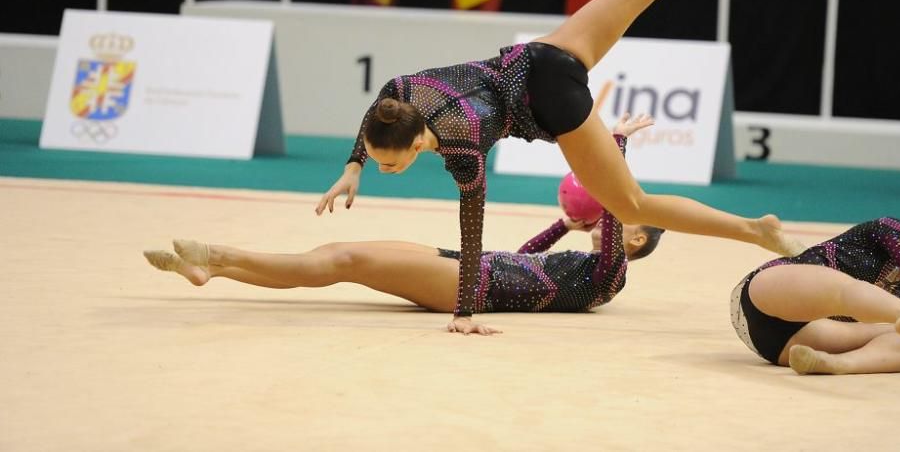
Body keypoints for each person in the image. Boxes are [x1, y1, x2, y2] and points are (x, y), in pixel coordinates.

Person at [316, 0, 804, 336]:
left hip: (549, 103)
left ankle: (754, 230)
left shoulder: (462, 145)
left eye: (391, 163)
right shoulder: (403, 89)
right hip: (548, 54)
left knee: (632, 204)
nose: (388, 169)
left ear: (418, 142)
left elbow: (472, 228)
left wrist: (464, 311)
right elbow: (378, 110)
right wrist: (354, 166)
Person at [145, 115, 666, 324]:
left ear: (635, 238)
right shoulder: (585, 266)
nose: (608, 226)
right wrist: (563, 228)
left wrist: (615, 142)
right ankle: (210, 270)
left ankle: (217, 256)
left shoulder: (610, 278)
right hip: (468, 264)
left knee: (344, 260)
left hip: (474, 285)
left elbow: (619, 204)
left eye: (620, 229)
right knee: (334, 255)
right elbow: (526, 258)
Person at [731, 198, 900, 375]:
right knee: (847, 290)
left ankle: (835, 365)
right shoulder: (890, 229)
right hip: (767, 298)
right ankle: (899, 315)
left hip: (788, 345)